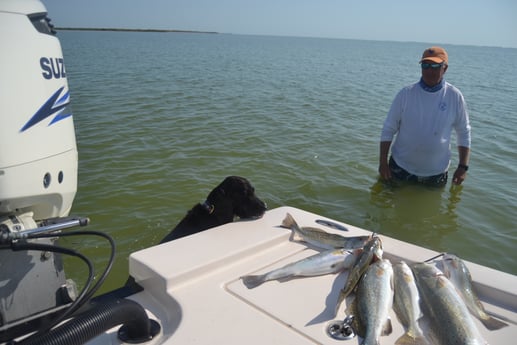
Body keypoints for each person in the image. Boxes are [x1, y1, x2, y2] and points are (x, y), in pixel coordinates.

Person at [379, 46, 471, 187]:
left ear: (445, 68)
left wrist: (463, 167)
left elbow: (463, 132)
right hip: (399, 168)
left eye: (435, 65)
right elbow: (388, 129)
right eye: (425, 65)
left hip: (436, 175)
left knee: (431, 209)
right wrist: (382, 162)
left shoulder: (455, 96)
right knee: (386, 206)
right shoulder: (405, 94)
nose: (429, 70)